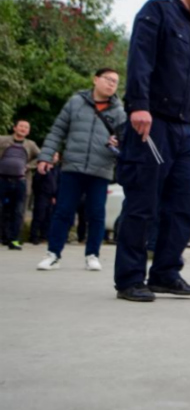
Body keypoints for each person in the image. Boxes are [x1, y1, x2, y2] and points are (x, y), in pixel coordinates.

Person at [114, 0, 190, 302]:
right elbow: (140, 59)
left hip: (185, 131)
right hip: (152, 123)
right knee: (143, 203)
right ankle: (130, 279)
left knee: (185, 206)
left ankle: (165, 272)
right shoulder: (157, 11)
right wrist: (138, 105)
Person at [36, 68, 126, 271]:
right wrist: (46, 156)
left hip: (101, 169)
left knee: (96, 214)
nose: (112, 84)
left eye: (115, 82)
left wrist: (119, 143)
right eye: (108, 79)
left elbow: (126, 143)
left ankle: (92, 254)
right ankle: (53, 254)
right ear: (95, 79)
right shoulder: (75, 102)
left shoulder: (119, 112)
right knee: (63, 212)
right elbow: (57, 130)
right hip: (72, 167)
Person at [0, 119, 40, 250]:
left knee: (18, 211)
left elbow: (41, 157)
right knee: (2, 209)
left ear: (28, 131)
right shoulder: (3, 140)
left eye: (26, 127)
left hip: (20, 181)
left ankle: (14, 239)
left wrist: (28, 166)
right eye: (21, 126)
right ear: (15, 128)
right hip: (2, 179)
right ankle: (3, 237)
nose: (23, 129)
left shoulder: (31, 144)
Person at [29, 152, 61, 245]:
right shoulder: (42, 168)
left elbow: (58, 183)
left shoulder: (57, 170)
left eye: (56, 156)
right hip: (42, 195)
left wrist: (55, 196)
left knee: (49, 217)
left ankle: (44, 236)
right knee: (39, 215)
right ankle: (33, 236)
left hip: (52, 196)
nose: (54, 158)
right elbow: (36, 182)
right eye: (53, 155)